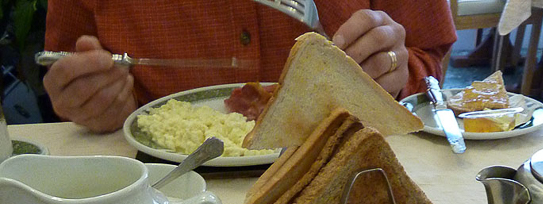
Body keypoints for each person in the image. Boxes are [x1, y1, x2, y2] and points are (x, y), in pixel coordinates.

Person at [43, 0, 456, 133]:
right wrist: (94, 98)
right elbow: (67, 66)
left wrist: (397, 74)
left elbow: (428, 55)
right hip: (156, 195)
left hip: (347, 173)